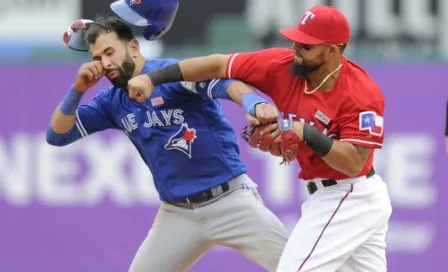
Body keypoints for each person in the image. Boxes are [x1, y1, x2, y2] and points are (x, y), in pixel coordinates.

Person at [126, 5, 393, 272]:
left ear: (333, 49)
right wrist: (153, 78)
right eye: (296, 40)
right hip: (331, 194)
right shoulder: (283, 65)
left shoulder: (360, 93)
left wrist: (305, 132)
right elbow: (219, 65)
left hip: (349, 194)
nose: (296, 48)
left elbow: (354, 164)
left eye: (307, 45)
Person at [47, 16, 290, 272]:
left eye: (109, 52)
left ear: (133, 47)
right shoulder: (112, 100)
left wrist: (253, 103)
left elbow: (225, 83)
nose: (105, 63)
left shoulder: (170, 74)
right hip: (178, 213)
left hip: (230, 201)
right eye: (97, 58)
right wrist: (77, 89)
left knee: (298, 266)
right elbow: (57, 135)